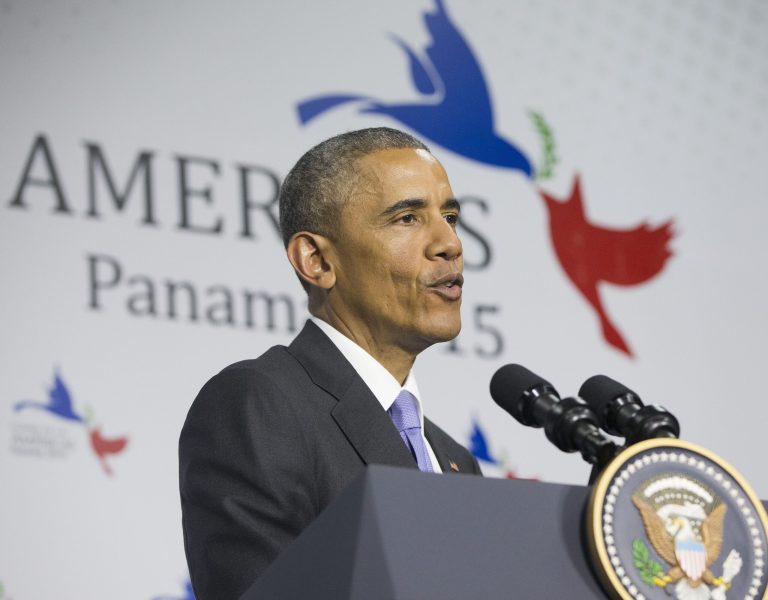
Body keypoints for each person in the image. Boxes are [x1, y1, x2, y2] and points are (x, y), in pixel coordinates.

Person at [179, 127, 482, 600]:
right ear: (317, 260)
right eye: (407, 218)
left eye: (450, 216)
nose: (450, 244)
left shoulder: (454, 460)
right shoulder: (259, 405)